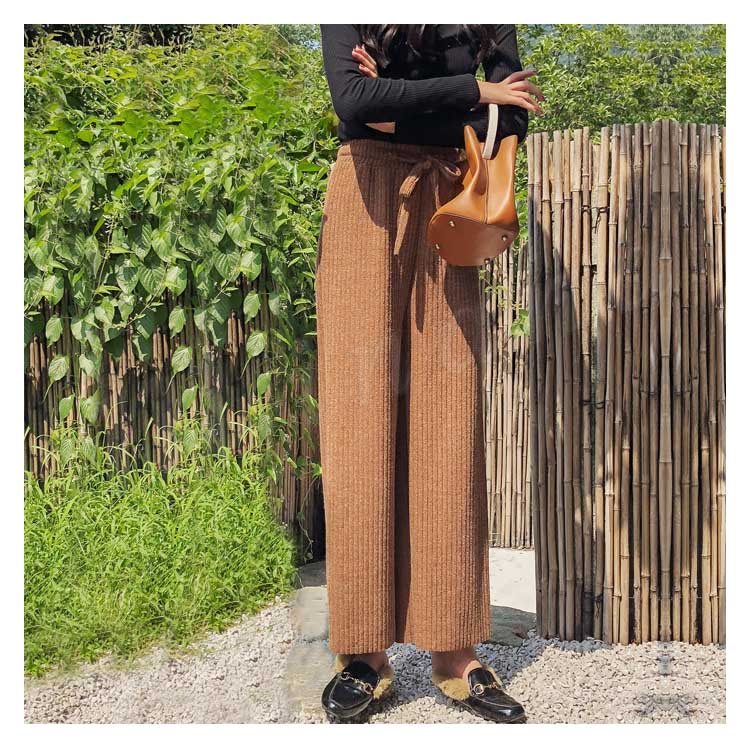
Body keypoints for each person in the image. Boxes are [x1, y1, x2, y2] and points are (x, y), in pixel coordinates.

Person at [314, 24, 544, 723]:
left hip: (451, 203)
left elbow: (512, 122)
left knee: (449, 419)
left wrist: (402, 107)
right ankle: (364, 653)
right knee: (358, 419)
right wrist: (471, 91)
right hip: (363, 203)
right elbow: (353, 104)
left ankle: (453, 652)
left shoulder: (486, 19)